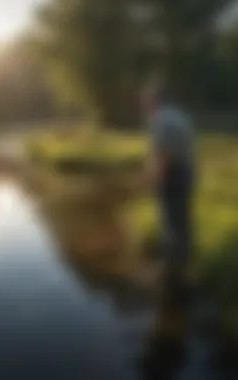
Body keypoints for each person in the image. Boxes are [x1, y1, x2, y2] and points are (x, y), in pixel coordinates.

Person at [139, 84, 196, 377]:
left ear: (155, 100)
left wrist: (148, 179)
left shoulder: (160, 119)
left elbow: (164, 156)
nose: (143, 105)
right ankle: (183, 266)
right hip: (188, 172)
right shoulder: (181, 115)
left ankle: (172, 277)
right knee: (183, 221)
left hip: (172, 174)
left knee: (170, 223)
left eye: (146, 100)